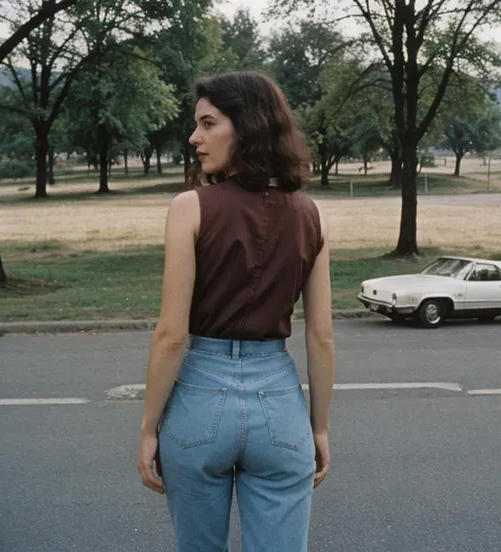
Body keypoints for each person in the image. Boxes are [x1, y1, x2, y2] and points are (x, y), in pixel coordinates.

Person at [137, 70, 336, 552]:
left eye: (207, 124)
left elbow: (171, 335)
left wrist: (147, 429)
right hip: (280, 404)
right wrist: (321, 428)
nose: (194, 138)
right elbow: (321, 337)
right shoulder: (310, 214)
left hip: (200, 400)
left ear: (245, 127)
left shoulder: (190, 207)